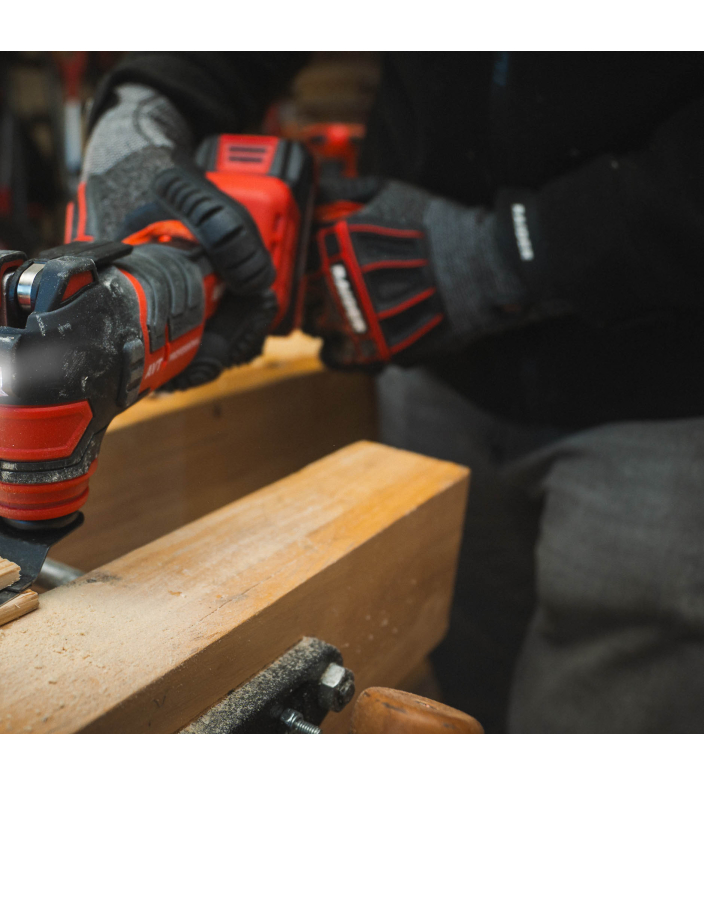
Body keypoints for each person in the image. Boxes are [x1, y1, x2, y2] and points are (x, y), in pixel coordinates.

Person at [77, 52, 704, 733]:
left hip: (662, 394)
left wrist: (511, 252)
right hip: (435, 363)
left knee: (607, 708)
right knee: (455, 672)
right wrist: (153, 94)